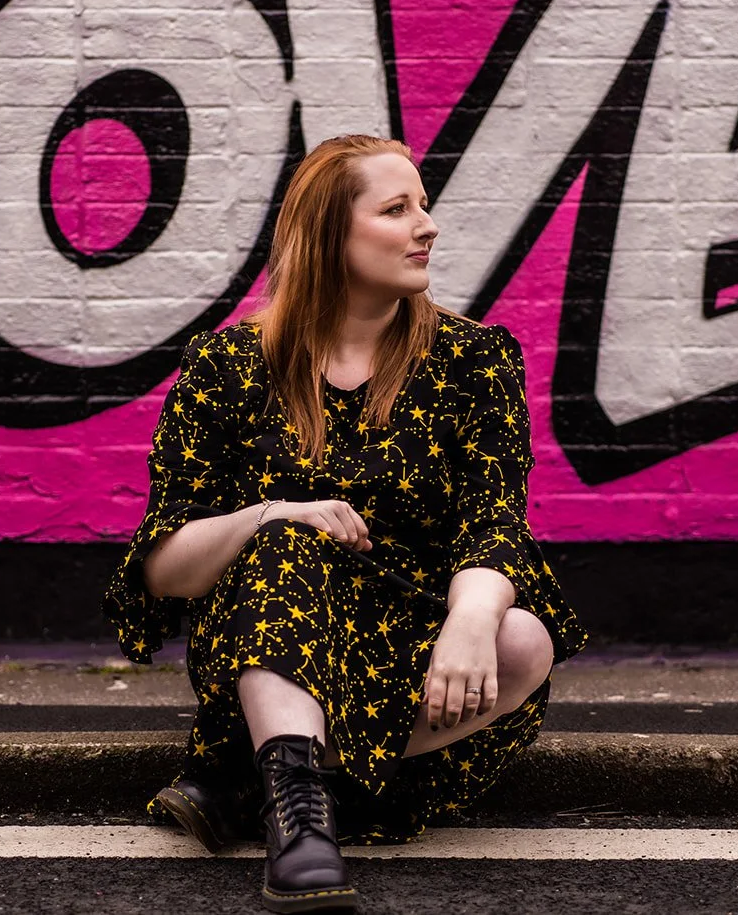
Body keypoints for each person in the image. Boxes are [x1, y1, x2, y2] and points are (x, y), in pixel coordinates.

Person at [101, 133, 592, 912]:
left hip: (419, 679)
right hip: (263, 651)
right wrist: (271, 512)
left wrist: (470, 617)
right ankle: (300, 821)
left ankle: (246, 776)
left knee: (522, 634)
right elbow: (162, 567)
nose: (426, 226)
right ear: (329, 233)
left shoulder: (474, 360)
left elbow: (495, 518)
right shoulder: (227, 368)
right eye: (397, 209)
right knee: (288, 538)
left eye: (423, 205)